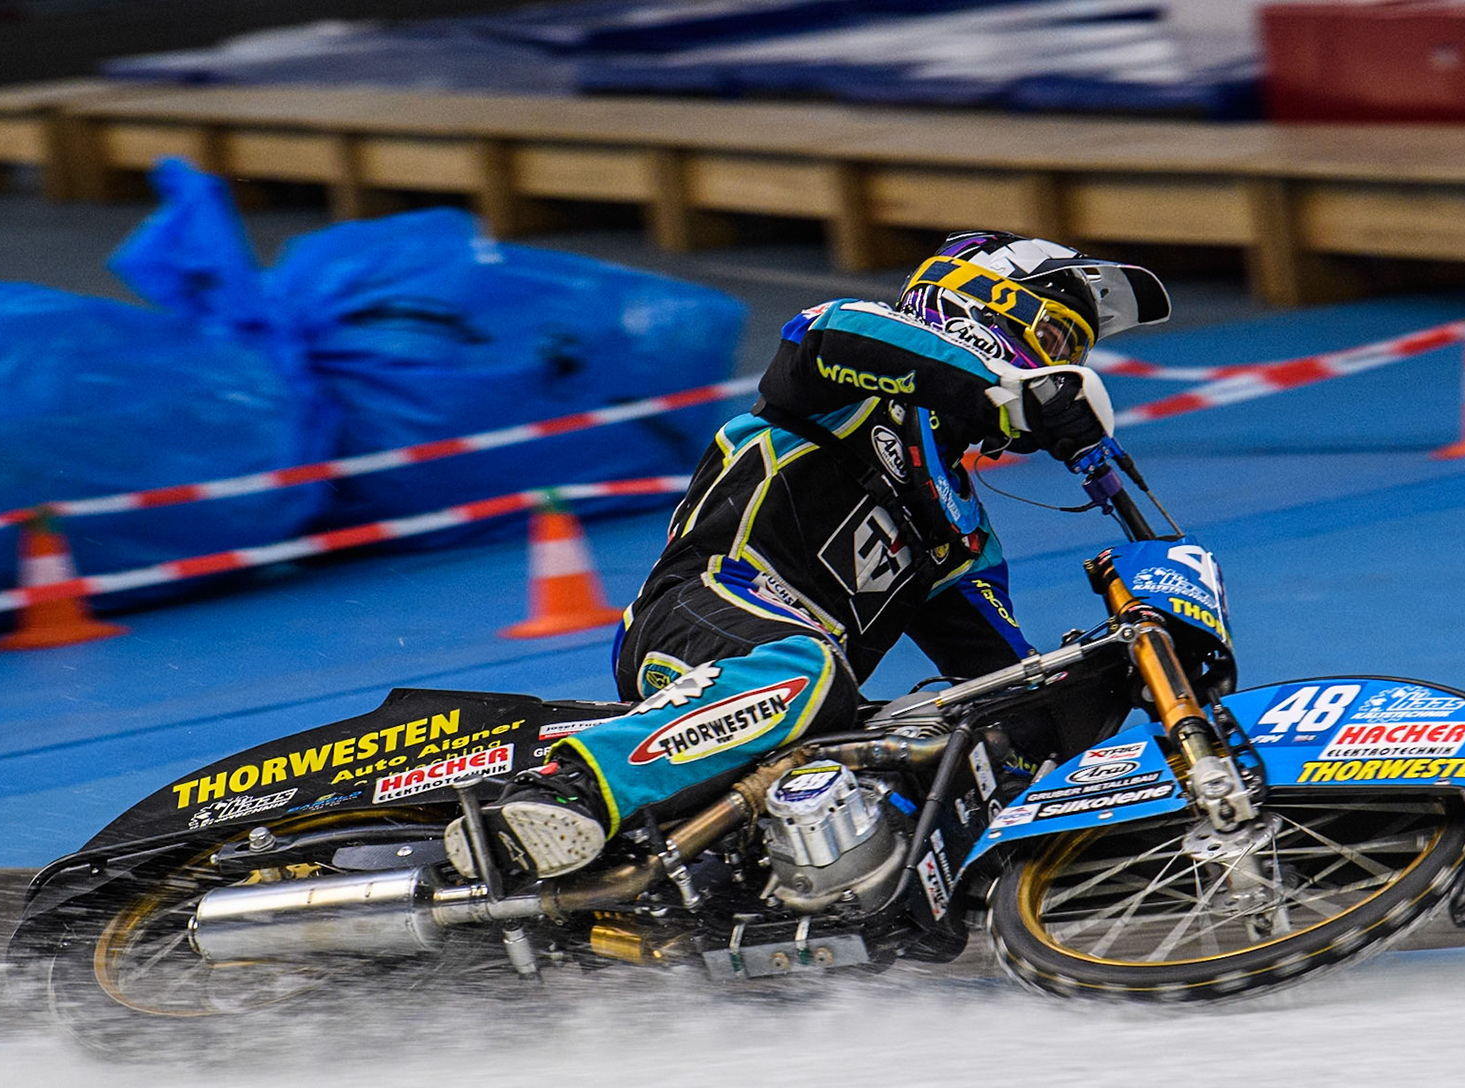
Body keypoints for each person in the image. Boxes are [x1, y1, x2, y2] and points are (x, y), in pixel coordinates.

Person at [495, 230, 1169, 878]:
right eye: (1054, 339)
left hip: (814, 693)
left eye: (1072, 355)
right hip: (702, 618)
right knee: (809, 666)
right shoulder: (850, 381)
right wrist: (1002, 392)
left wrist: (1110, 681)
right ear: (980, 304)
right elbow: (826, 335)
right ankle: (567, 785)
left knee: (950, 733)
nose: (1064, 368)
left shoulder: (962, 530)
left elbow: (1005, 682)